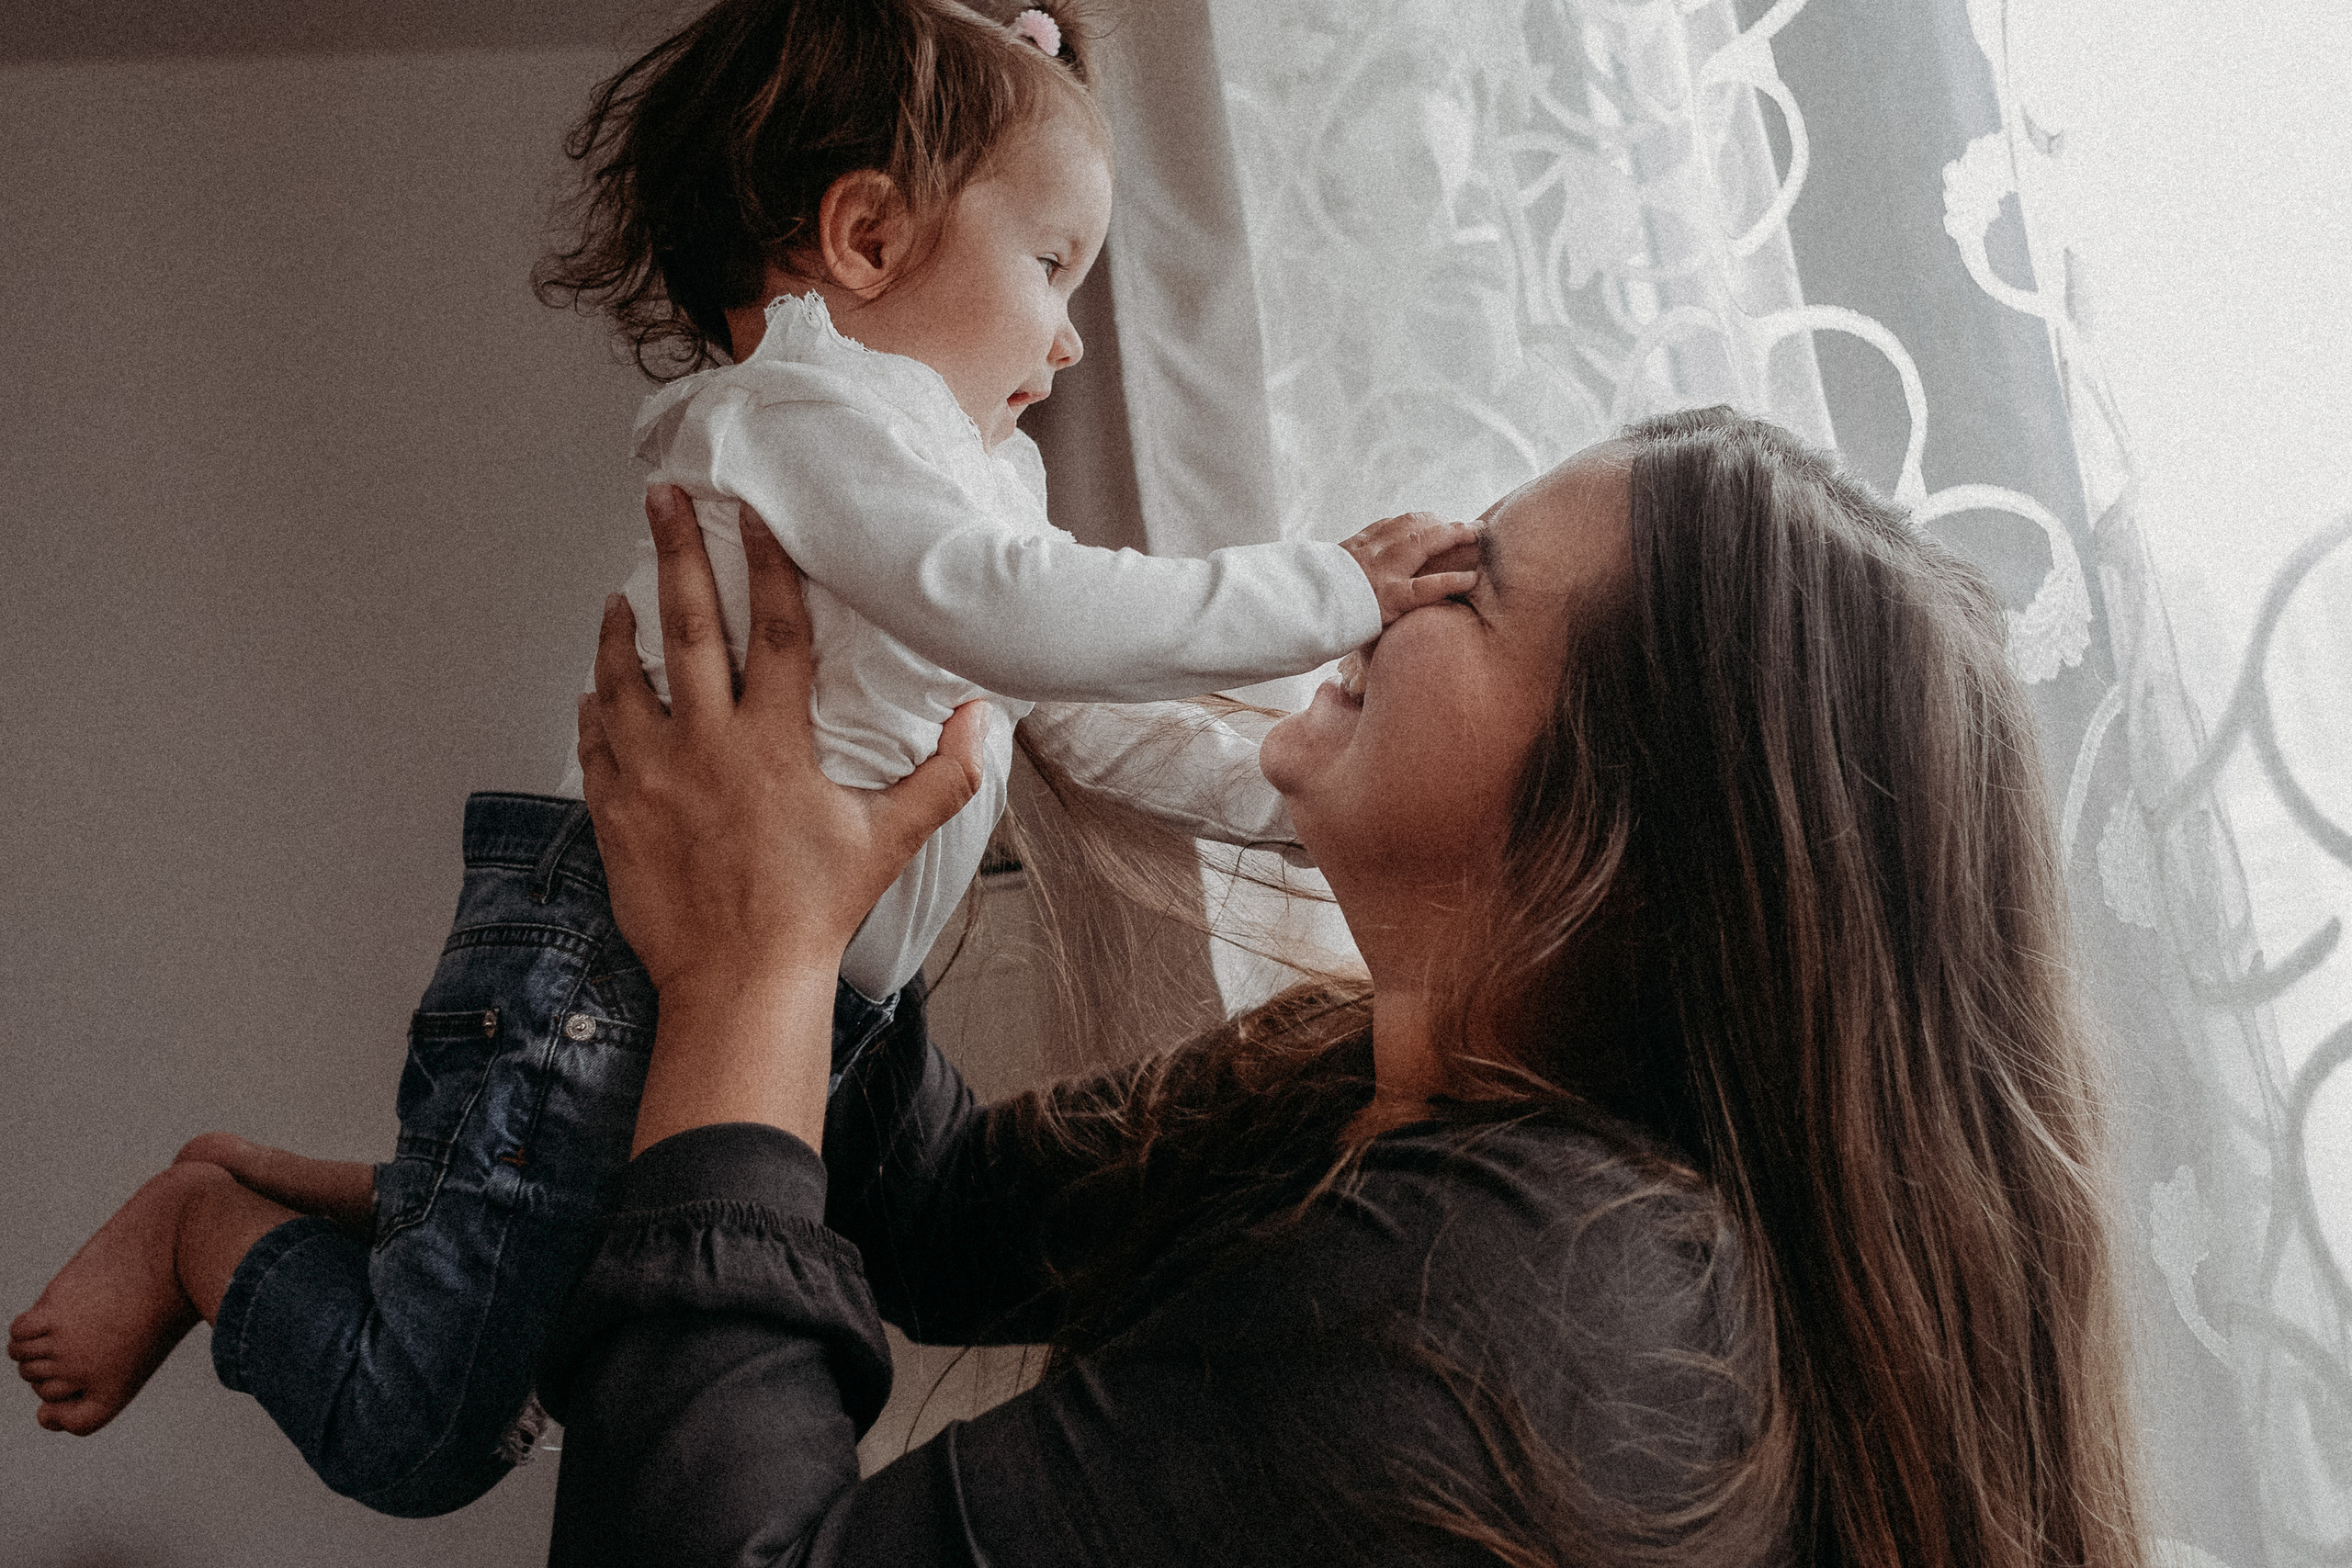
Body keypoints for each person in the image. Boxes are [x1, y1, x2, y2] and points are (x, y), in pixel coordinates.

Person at [5, 0, 1477, 1517]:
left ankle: (409, 1210)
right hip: (619, 964)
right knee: (428, 1430)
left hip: (791, 985)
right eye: (1051, 266)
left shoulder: (967, 469)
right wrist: (1340, 586)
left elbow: (1083, 720)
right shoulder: (806, 408)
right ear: (862, 237)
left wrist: (1314, 808)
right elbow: (1033, 624)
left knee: (557, 1301)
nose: (1071, 332)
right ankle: (203, 1224)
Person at [542, 409, 2149, 1567]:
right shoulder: (1377, 1086)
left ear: (1624, 821)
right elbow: (950, 1212)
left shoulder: (1546, 1296)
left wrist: (755, 962)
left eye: (1482, 583)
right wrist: (823, 832)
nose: (1400, 580)